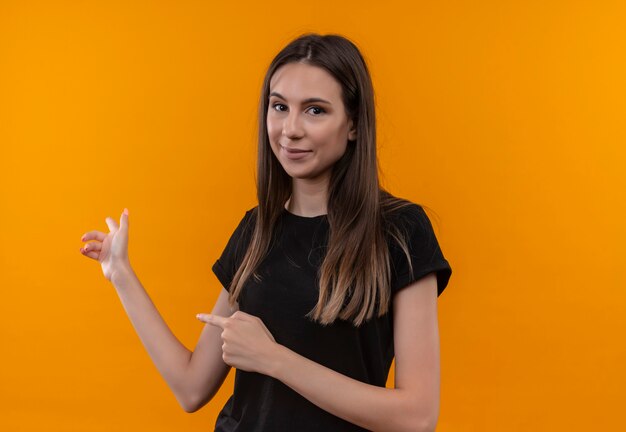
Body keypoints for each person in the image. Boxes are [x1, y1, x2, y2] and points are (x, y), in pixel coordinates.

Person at [79, 33, 452, 432]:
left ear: (354, 125)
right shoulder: (256, 231)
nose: (290, 129)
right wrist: (120, 273)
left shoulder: (400, 232)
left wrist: (274, 358)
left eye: (315, 111)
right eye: (279, 107)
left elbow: (416, 417)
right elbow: (191, 387)